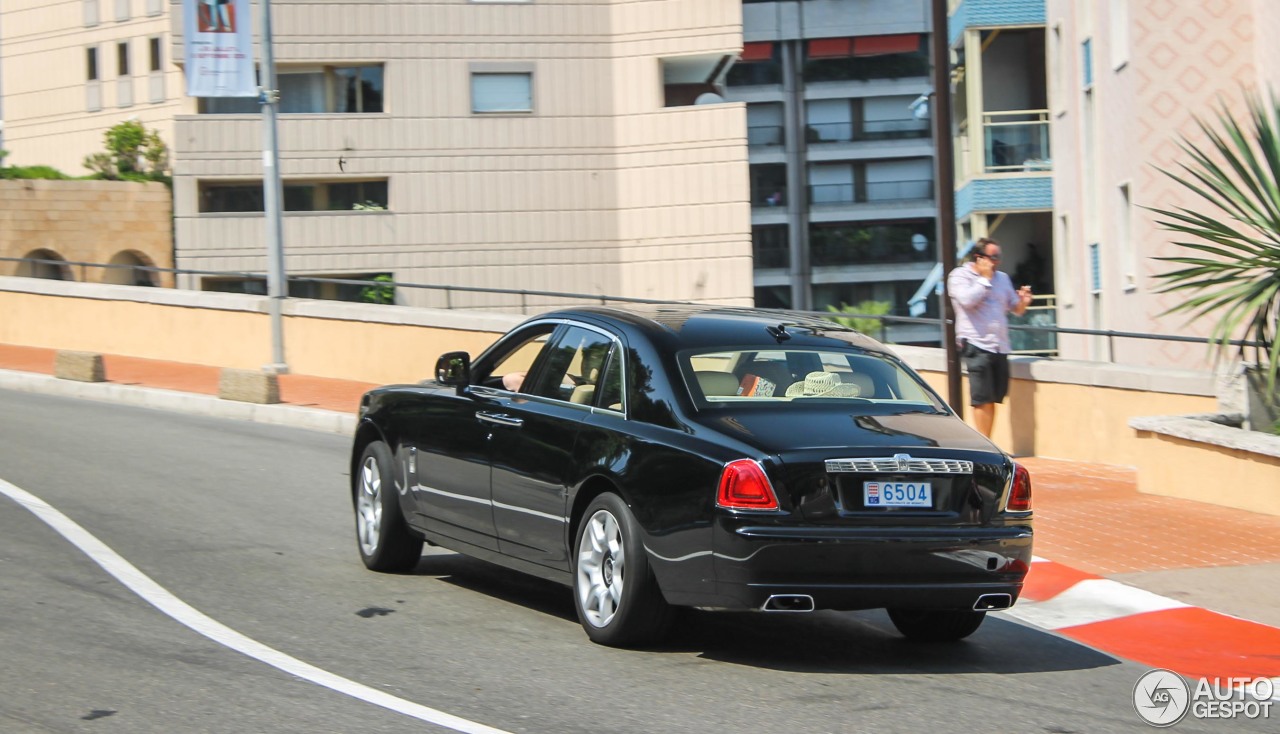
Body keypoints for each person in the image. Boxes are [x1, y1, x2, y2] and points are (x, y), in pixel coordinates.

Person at [947, 237, 1033, 438]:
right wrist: (984, 279)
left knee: (993, 397)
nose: (998, 261)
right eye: (994, 257)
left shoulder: (1002, 278)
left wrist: (1023, 302)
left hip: (999, 345)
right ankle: (985, 444)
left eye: (999, 257)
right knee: (981, 398)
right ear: (979, 258)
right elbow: (967, 301)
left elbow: (1015, 308)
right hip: (976, 343)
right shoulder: (960, 276)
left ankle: (988, 442)